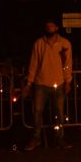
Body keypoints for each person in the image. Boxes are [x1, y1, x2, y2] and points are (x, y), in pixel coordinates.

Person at [22, 18, 73, 150]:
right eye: (47, 26)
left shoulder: (65, 43)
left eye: (52, 26)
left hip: (59, 83)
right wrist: (29, 83)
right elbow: (34, 64)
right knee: (37, 112)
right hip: (41, 83)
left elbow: (67, 65)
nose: (49, 28)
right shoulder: (39, 44)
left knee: (59, 113)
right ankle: (36, 138)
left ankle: (59, 138)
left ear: (56, 28)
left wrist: (68, 81)